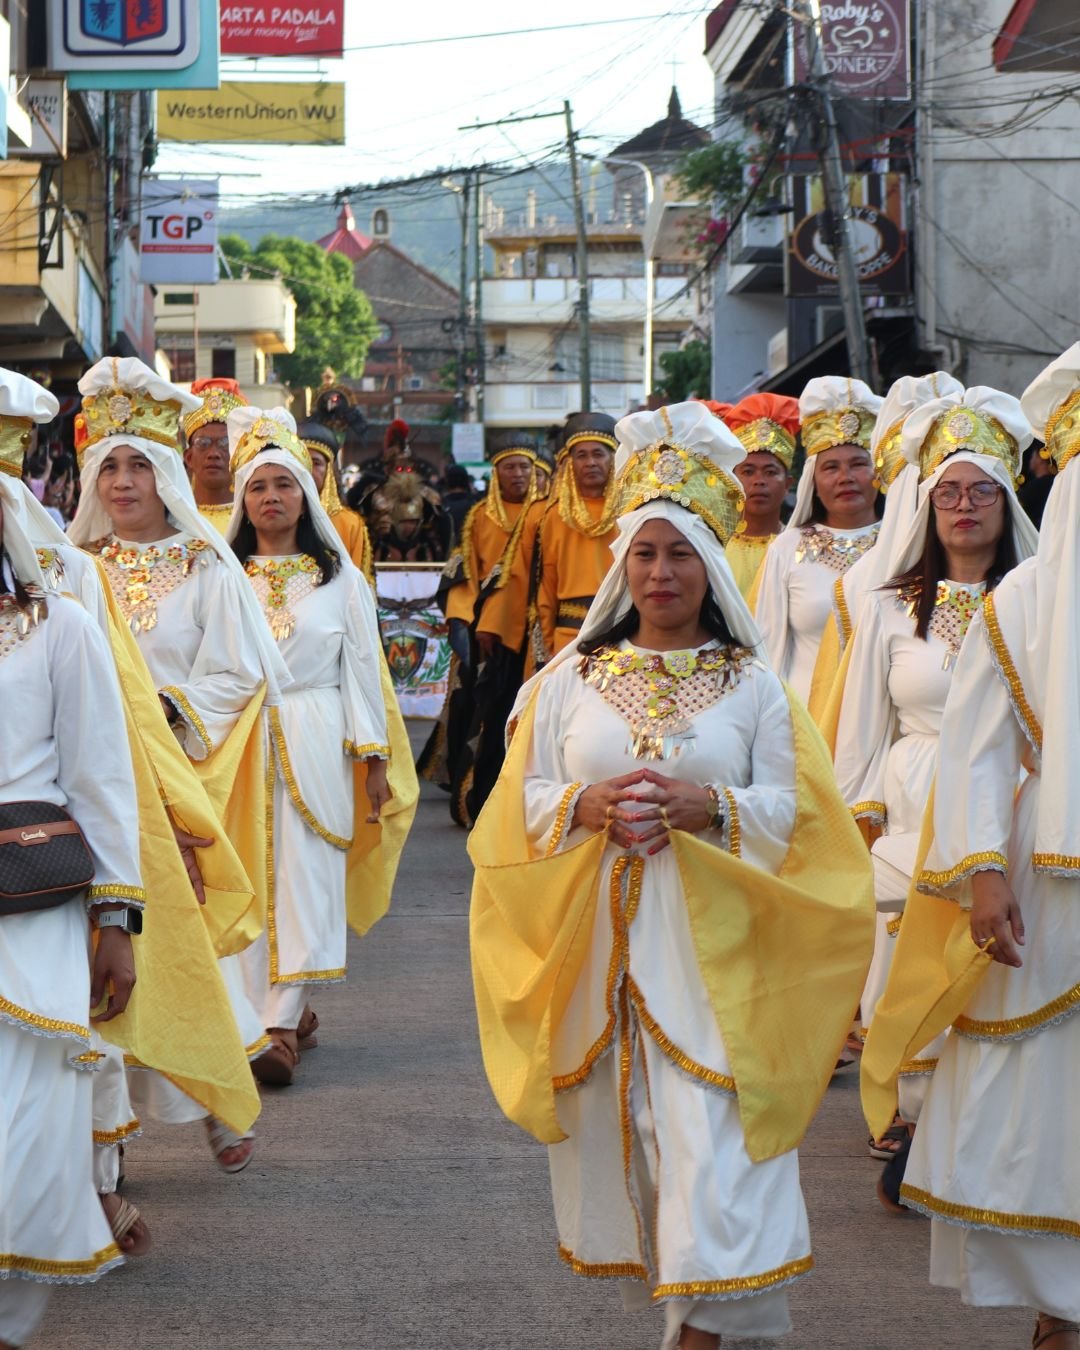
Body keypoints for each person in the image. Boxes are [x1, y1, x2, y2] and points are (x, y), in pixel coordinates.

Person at [470, 401, 874, 1350]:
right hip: (604, 947)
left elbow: (801, 819)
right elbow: (514, 803)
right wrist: (585, 807)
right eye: (645, 555)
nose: (661, 573)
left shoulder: (756, 685)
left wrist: (714, 810)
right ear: (623, 568)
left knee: (719, 1136)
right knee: (644, 1141)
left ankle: (697, 1336)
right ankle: (708, 1319)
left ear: (710, 566)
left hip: (724, 951)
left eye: (681, 554)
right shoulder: (566, 683)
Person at [862, 347, 1080, 1346]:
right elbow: (981, 757)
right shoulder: (1022, 606)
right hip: (1048, 878)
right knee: (1041, 1087)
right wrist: (984, 877)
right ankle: (1057, 1304)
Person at [68, 357, 286, 1155]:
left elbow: (237, 674)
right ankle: (106, 1146)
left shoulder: (206, 569)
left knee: (174, 946)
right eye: (108, 466)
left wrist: (156, 716)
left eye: (138, 465)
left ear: (166, 473)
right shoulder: (68, 571)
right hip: (86, 782)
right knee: (95, 948)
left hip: (175, 780)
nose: (122, 482)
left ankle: (211, 1095)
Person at [833, 386, 1036, 1169]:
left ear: (1005, 499)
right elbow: (859, 732)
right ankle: (912, 1117)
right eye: (946, 491)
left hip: (1010, 798)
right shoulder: (888, 607)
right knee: (908, 961)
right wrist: (860, 822)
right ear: (926, 503)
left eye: (980, 490)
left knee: (995, 961)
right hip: (914, 795)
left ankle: (983, 1121)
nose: (962, 506)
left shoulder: (1036, 602)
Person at [0, 410, 144, 1348]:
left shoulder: (60, 629)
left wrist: (116, 919)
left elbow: (101, 777)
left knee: (26, 1129)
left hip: (32, 906)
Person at [226, 407, 418, 1085]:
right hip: (239, 745)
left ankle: (281, 1022)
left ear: (305, 495)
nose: (271, 497)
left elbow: (363, 672)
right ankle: (258, 1021)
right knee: (246, 878)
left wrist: (372, 761)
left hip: (317, 736)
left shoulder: (339, 579)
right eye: (257, 486)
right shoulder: (222, 577)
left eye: (284, 484)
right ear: (243, 501)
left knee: (304, 878)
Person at [431, 432, 539, 823]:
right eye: (509, 467)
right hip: (486, 626)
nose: (518, 474)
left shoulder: (545, 513)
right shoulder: (479, 517)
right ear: (496, 473)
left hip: (535, 625)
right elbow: (464, 571)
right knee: (474, 706)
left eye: (524, 466)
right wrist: (463, 619)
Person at [754, 376, 883, 703]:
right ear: (813, 478)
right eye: (831, 467)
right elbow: (768, 649)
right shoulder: (786, 547)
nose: (846, 478)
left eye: (858, 464)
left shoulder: (901, 545)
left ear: (877, 473)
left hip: (880, 716)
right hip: (806, 716)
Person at [534, 411, 621, 666]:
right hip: (568, 636)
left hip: (619, 630)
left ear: (612, 460)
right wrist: (548, 646)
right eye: (581, 455)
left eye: (598, 454)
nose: (590, 462)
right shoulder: (554, 515)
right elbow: (546, 585)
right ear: (570, 462)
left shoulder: (631, 511)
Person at [722, 394, 798, 600]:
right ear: (732, 481)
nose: (759, 481)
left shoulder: (800, 549)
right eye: (748, 472)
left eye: (770, 472)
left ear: (788, 485)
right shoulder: (714, 548)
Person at [298, 420, 374, 582]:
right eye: (301, 461)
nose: (308, 469)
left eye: (316, 463)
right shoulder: (276, 516)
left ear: (329, 471)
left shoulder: (350, 524)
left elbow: (359, 585)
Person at [182, 377, 249, 533]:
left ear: (238, 456)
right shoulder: (175, 519)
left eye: (225, 444)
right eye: (203, 443)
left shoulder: (251, 520)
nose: (213, 454)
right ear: (189, 457)